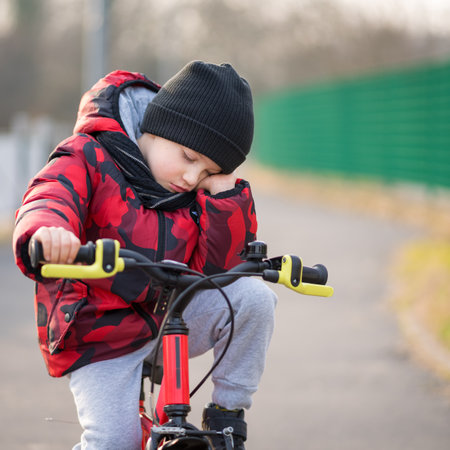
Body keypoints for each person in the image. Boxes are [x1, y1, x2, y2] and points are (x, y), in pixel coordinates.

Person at [13, 61, 277, 450]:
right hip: (100, 333)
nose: (191, 178)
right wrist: (49, 233)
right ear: (156, 128)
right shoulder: (89, 156)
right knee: (114, 440)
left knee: (254, 298)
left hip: (168, 317)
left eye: (209, 171)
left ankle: (227, 420)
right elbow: (52, 194)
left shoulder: (197, 191)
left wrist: (223, 199)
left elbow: (219, 270)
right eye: (188, 157)